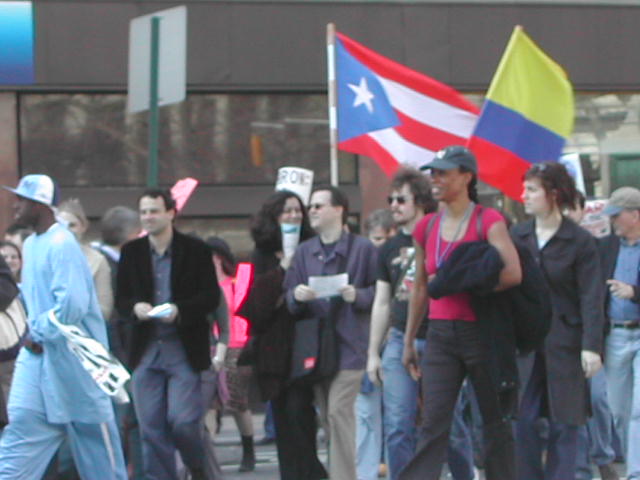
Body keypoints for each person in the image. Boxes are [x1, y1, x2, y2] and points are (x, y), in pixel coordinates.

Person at [400, 146, 522, 480]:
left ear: (466, 177)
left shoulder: (488, 220)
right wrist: (409, 340)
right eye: (433, 172)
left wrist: (465, 284)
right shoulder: (426, 226)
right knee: (433, 422)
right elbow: (420, 288)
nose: (435, 179)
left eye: (443, 172)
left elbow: (512, 274)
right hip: (440, 334)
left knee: (493, 421)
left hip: (481, 332)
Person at [0, 174, 127, 479]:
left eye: (23, 199)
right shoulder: (31, 244)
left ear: (41, 205)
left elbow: (72, 305)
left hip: (77, 365)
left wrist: (36, 330)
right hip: (38, 361)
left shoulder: (61, 243)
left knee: (101, 457)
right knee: (20, 436)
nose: (15, 204)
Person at [367, 167, 476, 480]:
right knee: (398, 424)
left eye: (401, 199)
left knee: (450, 425)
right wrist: (373, 353)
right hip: (400, 339)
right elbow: (382, 302)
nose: (393, 205)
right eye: (390, 199)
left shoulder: (441, 236)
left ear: (420, 201)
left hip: (442, 338)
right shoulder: (388, 247)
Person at [115, 188, 220, 480]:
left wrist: (180, 309)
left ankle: (196, 465)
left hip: (183, 349)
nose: (148, 217)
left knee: (183, 421)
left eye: (154, 211)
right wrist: (135, 307)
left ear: (171, 213)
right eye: (144, 212)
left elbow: (210, 297)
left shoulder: (195, 250)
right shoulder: (132, 253)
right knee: (150, 426)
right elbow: (121, 300)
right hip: (145, 350)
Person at [512, 162, 605, 480]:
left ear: (553, 194)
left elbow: (592, 297)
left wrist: (592, 346)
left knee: (565, 424)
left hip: (566, 343)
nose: (524, 195)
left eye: (532, 189)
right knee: (522, 421)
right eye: (524, 188)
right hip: (524, 345)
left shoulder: (578, 241)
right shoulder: (517, 236)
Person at [284, 185, 378, 479]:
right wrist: (296, 295)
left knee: (339, 413)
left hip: (351, 345)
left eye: (318, 205)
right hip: (317, 349)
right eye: (310, 206)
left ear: (339, 210)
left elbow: (382, 291)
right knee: (327, 418)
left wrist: (359, 295)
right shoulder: (304, 252)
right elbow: (288, 296)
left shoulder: (363, 249)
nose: (311, 211)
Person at [239, 190, 324, 480]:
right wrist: (283, 267)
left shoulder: (313, 246)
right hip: (273, 350)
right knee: (284, 419)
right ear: (274, 216)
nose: (293, 215)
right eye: (287, 211)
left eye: (298, 210)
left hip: (305, 342)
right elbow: (255, 303)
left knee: (300, 413)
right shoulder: (261, 254)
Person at [568, 191, 619, 480]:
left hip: (593, 335)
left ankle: (602, 455)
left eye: (572, 208)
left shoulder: (596, 245)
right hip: (562, 337)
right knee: (572, 403)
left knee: (599, 398)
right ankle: (581, 465)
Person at [599, 186, 640, 480]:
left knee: (638, 409)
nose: (612, 221)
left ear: (635, 215)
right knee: (616, 408)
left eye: (617, 215)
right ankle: (628, 461)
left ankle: (635, 472)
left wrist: (634, 293)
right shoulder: (607, 247)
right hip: (614, 334)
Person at [206, 236, 256, 472]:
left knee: (237, 402)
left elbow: (241, 309)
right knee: (209, 402)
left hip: (237, 345)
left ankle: (248, 449)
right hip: (209, 346)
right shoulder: (200, 285)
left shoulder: (238, 280)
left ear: (218, 257)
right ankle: (208, 454)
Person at [357, 207, 396, 480]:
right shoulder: (363, 263)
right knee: (369, 413)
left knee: (398, 416)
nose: (377, 246)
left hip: (396, 342)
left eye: (381, 239)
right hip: (370, 345)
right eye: (374, 239)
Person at [58, 198, 114, 321]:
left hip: (85, 332)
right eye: (62, 225)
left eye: (72, 225)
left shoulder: (97, 260)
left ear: (83, 226)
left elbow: (105, 310)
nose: (67, 230)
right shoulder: (45, 257)